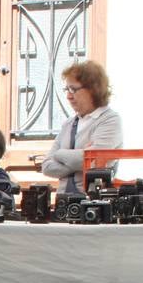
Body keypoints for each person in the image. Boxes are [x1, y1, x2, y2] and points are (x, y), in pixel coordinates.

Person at [40, 60, 122, 194]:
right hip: (63, 202)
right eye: (67, 89)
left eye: (73, 89)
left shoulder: (110, 120)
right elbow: (47, 167)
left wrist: (60, 154)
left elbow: (94, 160)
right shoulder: (68, 124)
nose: (68, 96)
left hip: (92, 202)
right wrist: (80, 158)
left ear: (93, 89)